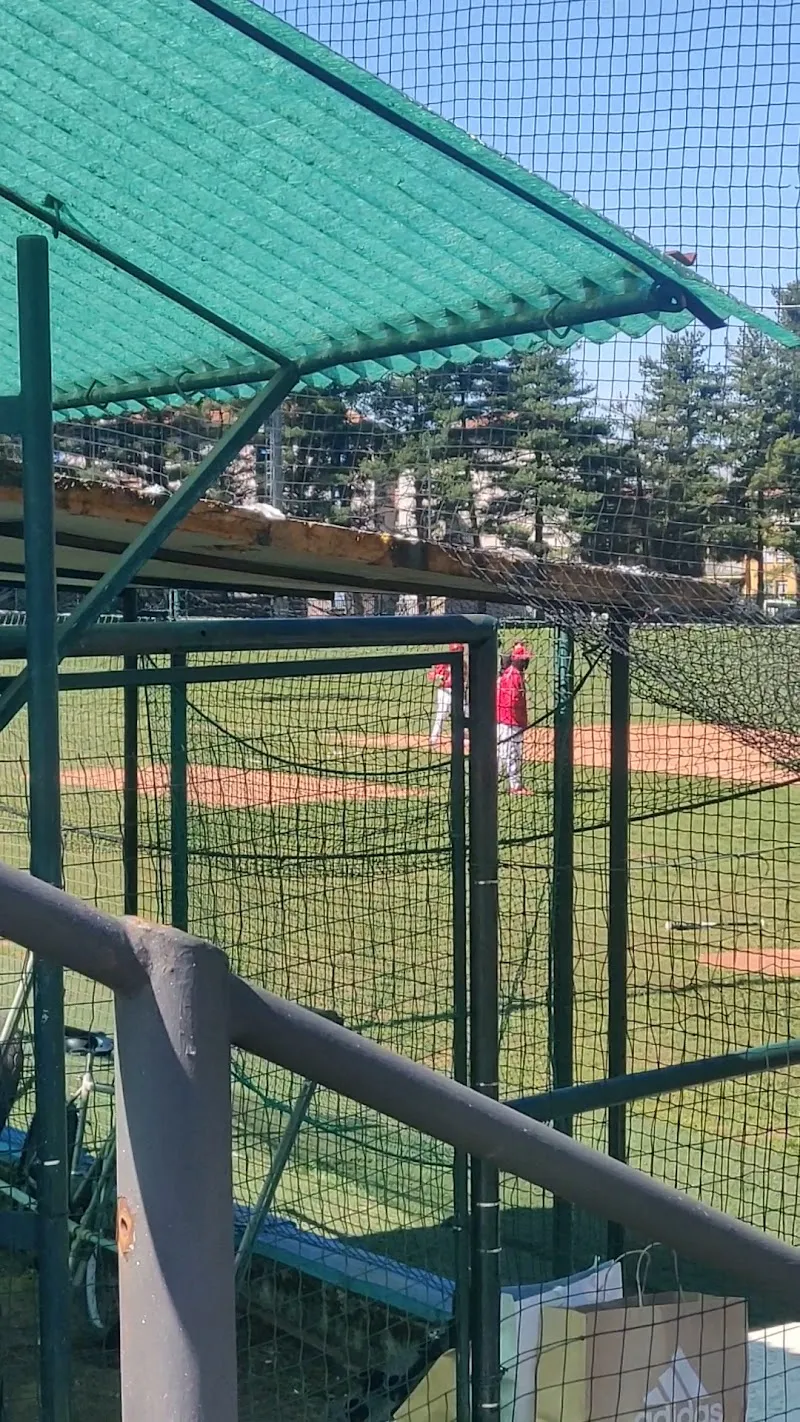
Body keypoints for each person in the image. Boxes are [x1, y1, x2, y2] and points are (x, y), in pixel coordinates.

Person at [496, 642, 530, 794]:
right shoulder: (513, 675)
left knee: (502, 753)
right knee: (511, 753)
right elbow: (512, 700)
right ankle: (515, 786)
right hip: (509, 720)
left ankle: (490, 783)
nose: (526, 661)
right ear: (517, 660)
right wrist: (519, 721)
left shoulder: (512, 673)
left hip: (504, 720)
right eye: (523, 659)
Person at [428, 643, 465, 747]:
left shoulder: (463, 663)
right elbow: (432, 675)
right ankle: (433, 738)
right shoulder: (444, 662)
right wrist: (439, 676)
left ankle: (465, 736)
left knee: (464, 711)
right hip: (445, 691)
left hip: (458, 690)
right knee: (442, 714)